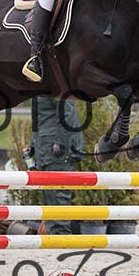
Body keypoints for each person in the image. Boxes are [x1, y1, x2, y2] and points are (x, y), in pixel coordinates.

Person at [30, 96, 85, 235]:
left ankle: (60, 237)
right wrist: (32, 145)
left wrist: (60, 142)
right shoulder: (38, 89)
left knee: (58, 200)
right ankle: (54, 236)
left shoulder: (56, 87)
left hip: (59, 153)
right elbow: (40, 120)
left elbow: (68, 114)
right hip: (45, 151)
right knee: (50, 201)